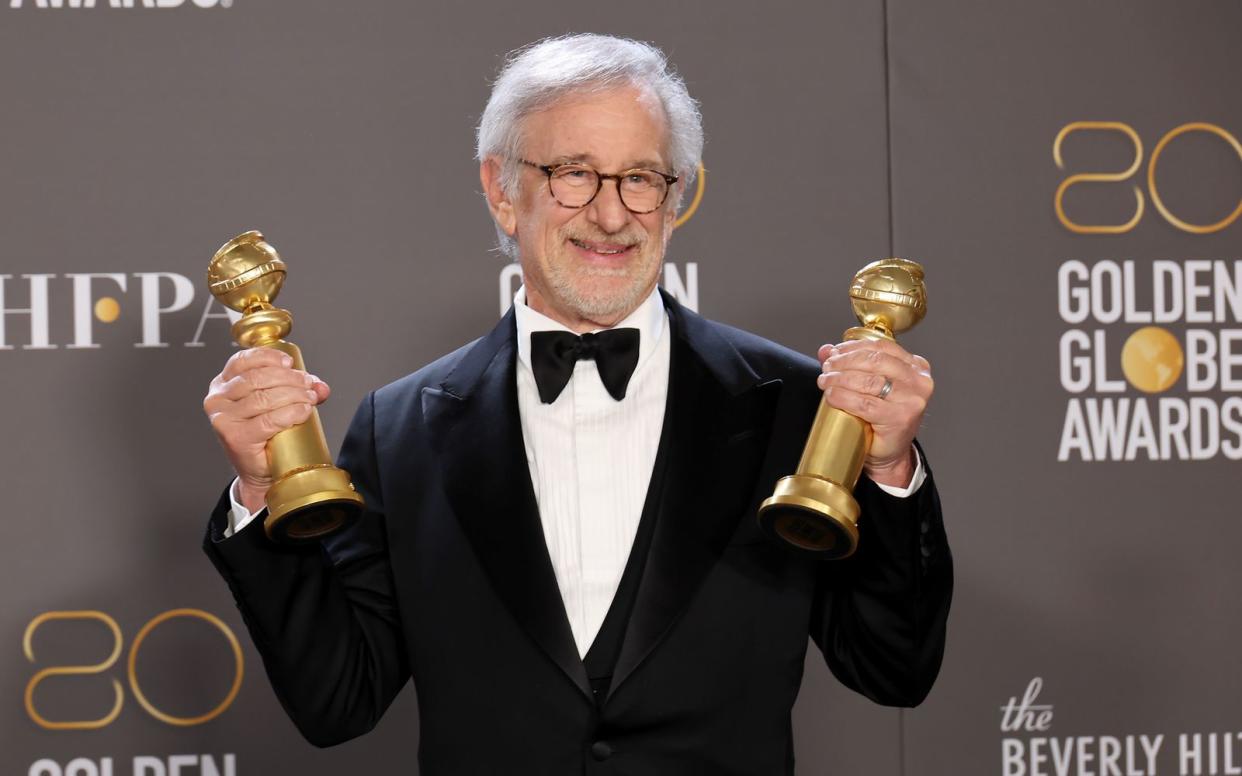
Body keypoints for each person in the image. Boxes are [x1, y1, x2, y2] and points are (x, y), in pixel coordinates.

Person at [201, 33, 951, 775]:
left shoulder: (795, 406)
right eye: (574, 174)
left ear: (677, 195)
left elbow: (894, 670)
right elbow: (337, 700)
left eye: (642, 178)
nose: (612, 215)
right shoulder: (400, 428)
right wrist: (264, 492)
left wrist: (886, 469)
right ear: (502, 190)